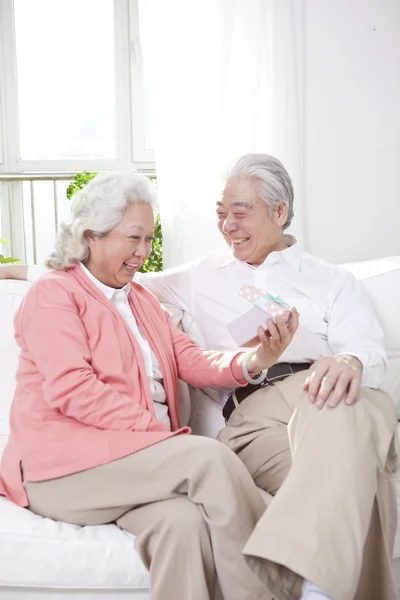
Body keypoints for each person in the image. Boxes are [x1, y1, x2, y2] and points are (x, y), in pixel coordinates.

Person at [2, 154, 398, 600]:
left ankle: (321, 587)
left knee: (185, 523)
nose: (143, 251)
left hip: (314, 395)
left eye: (148, 239)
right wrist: (161, 436)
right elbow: (72, 377)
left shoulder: (142, 303)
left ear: (280, 212)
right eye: (135, 238)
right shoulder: (64, 292)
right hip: (66, 460)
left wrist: (257, 359)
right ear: (90, 236)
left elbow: (190, 358)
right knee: (210, 460)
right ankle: (282, 592)